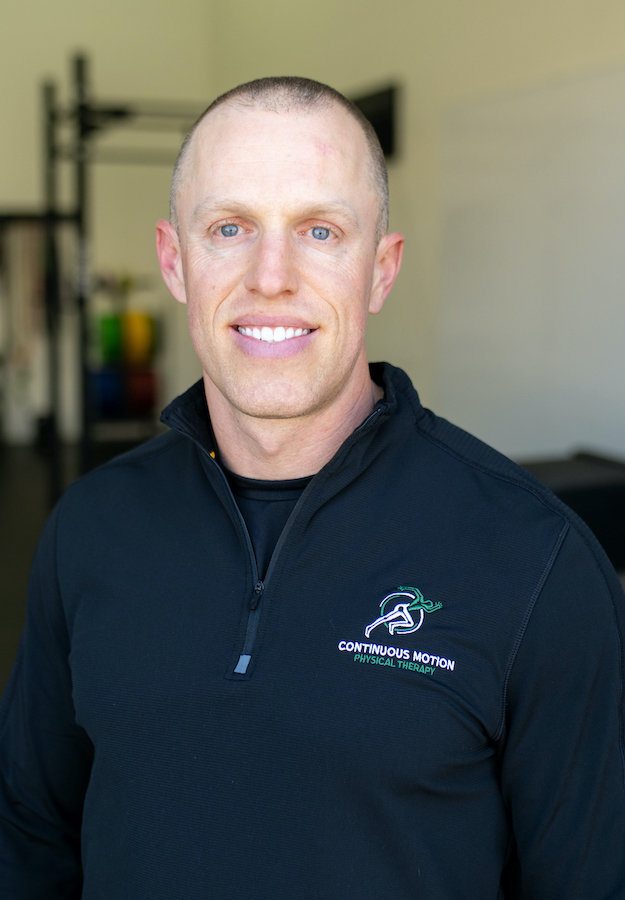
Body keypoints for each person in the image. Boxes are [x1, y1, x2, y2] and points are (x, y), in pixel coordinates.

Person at [0, 76, 624, 900]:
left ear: (379, 268)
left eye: (320, 231)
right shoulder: (91, 525)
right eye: (229, 228)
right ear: (173, 259)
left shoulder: (534, 561)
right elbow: (29, 838)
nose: (270, 277)